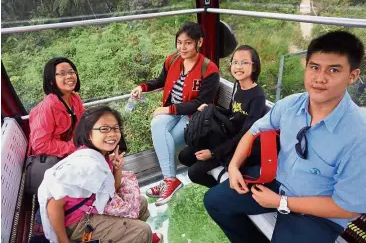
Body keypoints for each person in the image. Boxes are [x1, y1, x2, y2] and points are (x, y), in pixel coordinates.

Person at [204, 31, 366, 243]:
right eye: (315, 67)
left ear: (352, 76)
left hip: (320, 214)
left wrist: (281, 202)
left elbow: (346, 207)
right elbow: (254, 131)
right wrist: (234, 166)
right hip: (277, 181)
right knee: (214, 201)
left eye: (333, 70)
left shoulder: (358, 135)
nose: (320, 78)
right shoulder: (291, 105)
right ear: (306, 66)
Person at [38, 106, 163, 243]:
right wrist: (63, 241)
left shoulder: (100, 157)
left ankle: (135, 238)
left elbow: (112, 189)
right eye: (104, 129)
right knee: (142, 230)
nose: (112, 134)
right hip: (76, 223)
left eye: (115, 128)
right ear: (89, 135)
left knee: (141, 202)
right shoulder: (86, 164)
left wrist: (117, 168)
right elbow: (53, 205)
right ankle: (138, 235)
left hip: (92, 208)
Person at [130, 22, 220, 206]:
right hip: (174, 112)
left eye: (187, 43)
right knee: (158, 126)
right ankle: (170, 180)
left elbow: (200, 103)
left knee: (164, 135)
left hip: (194, 116)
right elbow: (161, 80)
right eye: (179, 42)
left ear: (199, 42)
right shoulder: (172, 60)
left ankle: (168, 181)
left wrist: (168, 109)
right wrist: (142, 87)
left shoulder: (209, 70)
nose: (182, 47)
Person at [178, 45, 266, 188]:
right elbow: (233, 114)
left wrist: (213, 153)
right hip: (226, 135)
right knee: (184, 156)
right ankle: (215, 170)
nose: (238, 66)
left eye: (244, 62)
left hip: (239, 146)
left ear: (254, 67)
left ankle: (224, 186)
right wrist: (211, 108)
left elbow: (246, 135)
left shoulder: (257, 96)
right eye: (235, 62)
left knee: (194, 173)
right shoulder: (238, 86)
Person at [28, 57, 85, 158]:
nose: (69, 76)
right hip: (52, 160)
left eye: (71, 72)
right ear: (51, 81)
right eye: (62, 74)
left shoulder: (74, 98)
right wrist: (74, 146)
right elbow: (40, 145)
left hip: (72, 154)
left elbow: (83, 125)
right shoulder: (47, 107)